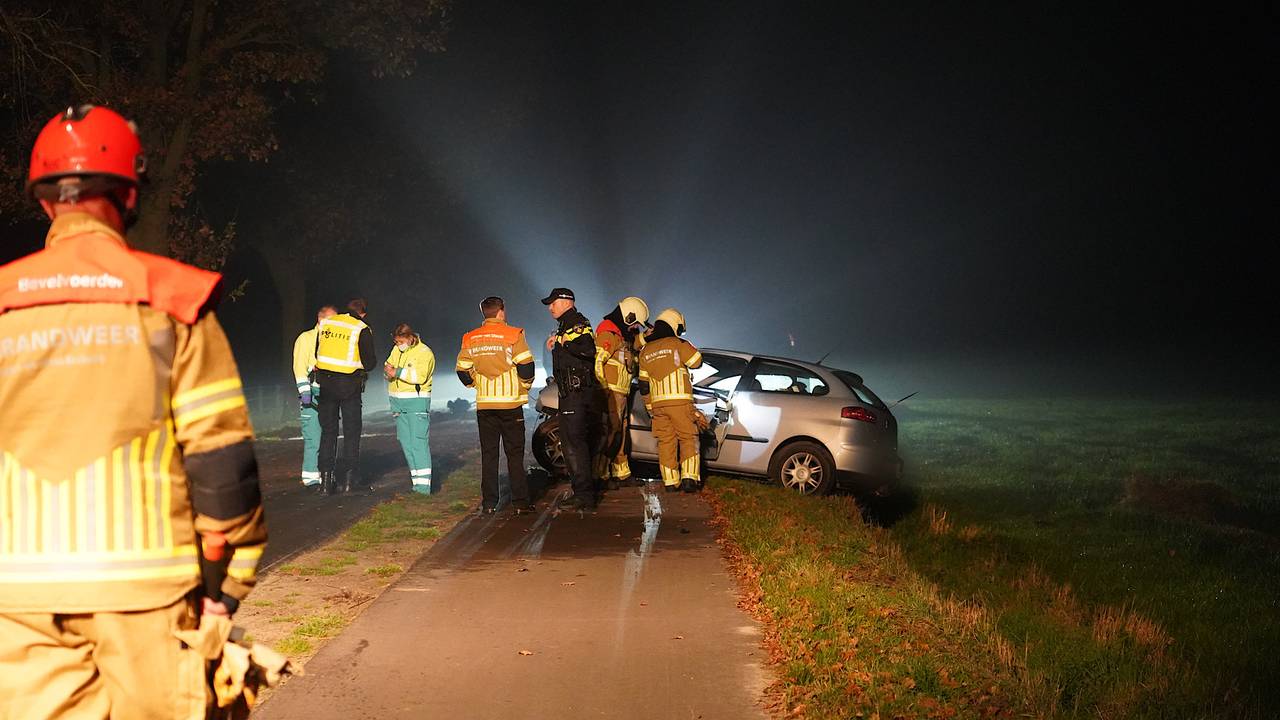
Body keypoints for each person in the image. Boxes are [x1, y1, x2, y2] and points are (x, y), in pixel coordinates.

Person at [0, 105, 267, 717]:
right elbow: (221, 463)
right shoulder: (172, 299)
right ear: (129, 194)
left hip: (15, 594)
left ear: (45, 200)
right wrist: (227, 585)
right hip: (148, 589)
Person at [456, 296, 537, 514]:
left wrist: (476, 383)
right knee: (514, 454)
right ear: (501, 311)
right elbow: (526, 366)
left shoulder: (470, 337)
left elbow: (462, 370)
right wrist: (524, 386)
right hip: (510, 404)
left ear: (484, 313)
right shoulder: (514, 334)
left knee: (489, 454)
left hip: (485, 405)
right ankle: (520, 503)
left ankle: (489, 504)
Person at [543, 287, 600, 510]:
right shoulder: (565, 325)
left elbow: (588, 350)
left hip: (576, 393)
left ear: (567, 302)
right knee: (572, 443)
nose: (550, 307)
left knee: (574, 444)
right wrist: (558, 341)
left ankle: (584, 496)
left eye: (553, 303)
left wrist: (564, 342)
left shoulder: (576, 322)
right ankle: (582, 493)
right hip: (571, 393)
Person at [638, 307, 705, 493]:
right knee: (688, 438)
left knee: (666, 442)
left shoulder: (645, 350)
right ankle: (689, 479)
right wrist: (686, 344)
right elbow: (697, 361)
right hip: (680, 402)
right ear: (675, 325)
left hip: (658, 406)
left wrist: (650, 408)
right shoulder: (678, 343)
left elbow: (643, 385)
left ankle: (670, 482)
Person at [315, 298, 376, 495]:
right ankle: (350, 482)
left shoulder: (327, 323)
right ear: (363, 313)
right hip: (349, 386)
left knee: (328, 432)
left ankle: (325, 482)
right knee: (351, 432)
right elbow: (369, 363)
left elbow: (318, 352)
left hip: (325, 385)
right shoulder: (361, 328)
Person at [593, 296, 650, 490]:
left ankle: (621, 473)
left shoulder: (621, 336)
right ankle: (600, 475)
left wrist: (647, 336)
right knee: (610, 433)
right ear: (628, 316)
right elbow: (597, 362)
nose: (636, 327)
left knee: (620, 433)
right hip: (611, 392)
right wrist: (602, 390)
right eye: (635, 323)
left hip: (621, 393)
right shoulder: (608, 333)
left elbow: (634, 346)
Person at [385, 323, 436, 494]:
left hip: (416, 403)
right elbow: (388, 367)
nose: (398, 345)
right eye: (396, 342)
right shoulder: (396, 350)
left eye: (400, 341)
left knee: (418, 443)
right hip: (398, 405)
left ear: (410, 337)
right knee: (406, 443)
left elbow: (420, 376)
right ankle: (417, 484)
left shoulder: (424, 353)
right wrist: (388, 372)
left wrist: (397, 372)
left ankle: (423, 487)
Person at [293, 305, 337, 489]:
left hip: (329, 394)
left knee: (329, 437)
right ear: (321, 319)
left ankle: (325, 474)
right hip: (312, 393)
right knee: (313, 436)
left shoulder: (333, 340)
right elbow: (299, 366)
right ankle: (311, 477)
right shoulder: (306, 338)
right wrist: (305, 391)